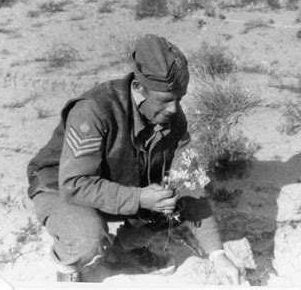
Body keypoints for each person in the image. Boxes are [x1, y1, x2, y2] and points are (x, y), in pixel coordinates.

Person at [26, 34, 240, 284]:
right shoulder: (94, 110)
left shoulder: (172, 119)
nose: (173, 109)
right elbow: (75, 185)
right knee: (86, 237)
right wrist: (140, 198)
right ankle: (68, 264)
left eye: (179, 99)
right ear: (139, 88)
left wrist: (218, 255)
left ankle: (123, 253)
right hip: (60, 186)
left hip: (119, 184)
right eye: (165, 100)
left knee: (172, 200)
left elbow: (191, 186)